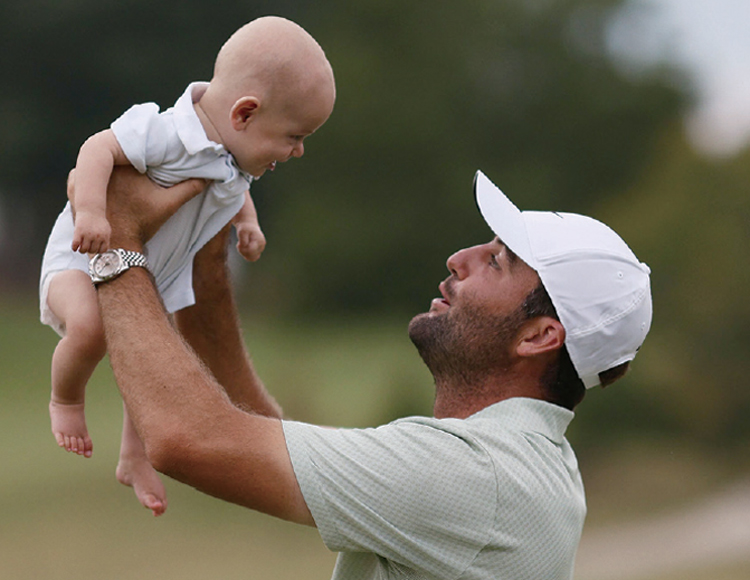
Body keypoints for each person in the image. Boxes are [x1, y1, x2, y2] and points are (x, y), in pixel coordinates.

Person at [70, 167, 652, 579]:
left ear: (539, 337)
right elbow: (262, 440)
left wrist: (116, 236)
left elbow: (189, 438)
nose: (461, 258)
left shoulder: (478, 473)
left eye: (497, 261)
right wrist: (207, 263)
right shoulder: (516, 462)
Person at [39, 16, 336, 516]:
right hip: (81, 256)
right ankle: (64, 400)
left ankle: (136, 454)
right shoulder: (164, 131)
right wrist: (91, 210)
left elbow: (234, 191)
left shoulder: (236, 159)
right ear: (244, 113)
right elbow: (98, 148)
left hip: (149, 282)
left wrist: (249, 226)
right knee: (88, 329)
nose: (298, 150)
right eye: (294, 136)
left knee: (161, 369)